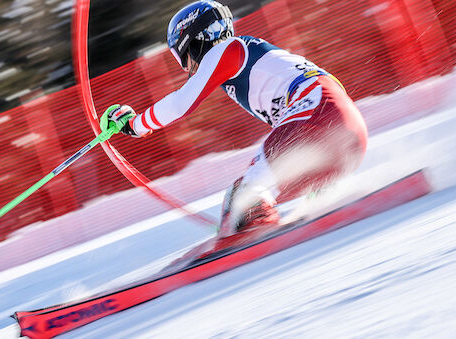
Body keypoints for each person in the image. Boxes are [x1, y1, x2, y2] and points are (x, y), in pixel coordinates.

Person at [102, 0, 368, 238]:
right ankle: (307, 209)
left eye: (182, 56)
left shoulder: (227, 50)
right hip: (344, 130)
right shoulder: (247, 57)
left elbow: (181, 102)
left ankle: (247, 236)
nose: (187, 67)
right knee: (259, 197)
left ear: (195, 42)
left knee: (243, 199)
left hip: (318, 115)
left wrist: (135, 124)